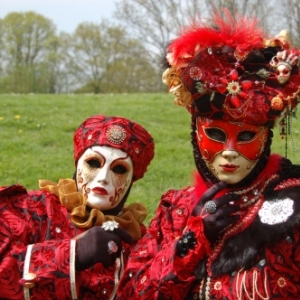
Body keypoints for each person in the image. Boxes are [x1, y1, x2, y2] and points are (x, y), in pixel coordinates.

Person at [117, 10, 300, 299]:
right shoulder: (175, 209)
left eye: (246, 137)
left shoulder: (292, 202)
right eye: (215, 135)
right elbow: (133, 291)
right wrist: (193, 239)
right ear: (195, 133)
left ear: (266, 138)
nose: (229, 152)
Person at [0, 114, 154, 299]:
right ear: (78, 164)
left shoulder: (138, 240)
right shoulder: (26, 210)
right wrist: (73, 253)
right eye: (93, 163)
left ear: (131, 181)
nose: (103, 177)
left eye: (119, 169)